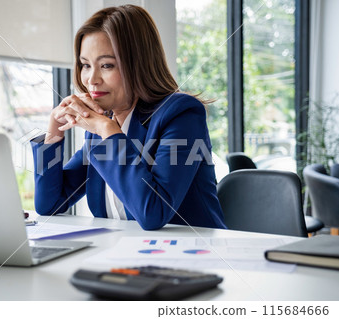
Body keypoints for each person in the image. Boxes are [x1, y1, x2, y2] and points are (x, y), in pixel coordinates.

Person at [31, 5, 226, 230]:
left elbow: (153, 212)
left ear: (138, 64)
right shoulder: (102, 124)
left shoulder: (181, 113)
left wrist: (108, 131)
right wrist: (53, 134)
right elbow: (50, 204)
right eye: (85, 65)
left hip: (190, 253)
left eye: (106, 65)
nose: (91, 79)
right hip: (122, 252)